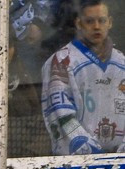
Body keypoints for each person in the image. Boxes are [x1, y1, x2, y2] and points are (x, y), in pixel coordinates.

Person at [41, 0, 125, 156]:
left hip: (120, 164)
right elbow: (61, 113)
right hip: (77, 166)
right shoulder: (62, 62)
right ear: (78, 23)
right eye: (90, 21)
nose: (97, 26)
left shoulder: (121, 62)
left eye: (102, 20)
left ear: (110, 23)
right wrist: (86, 149)